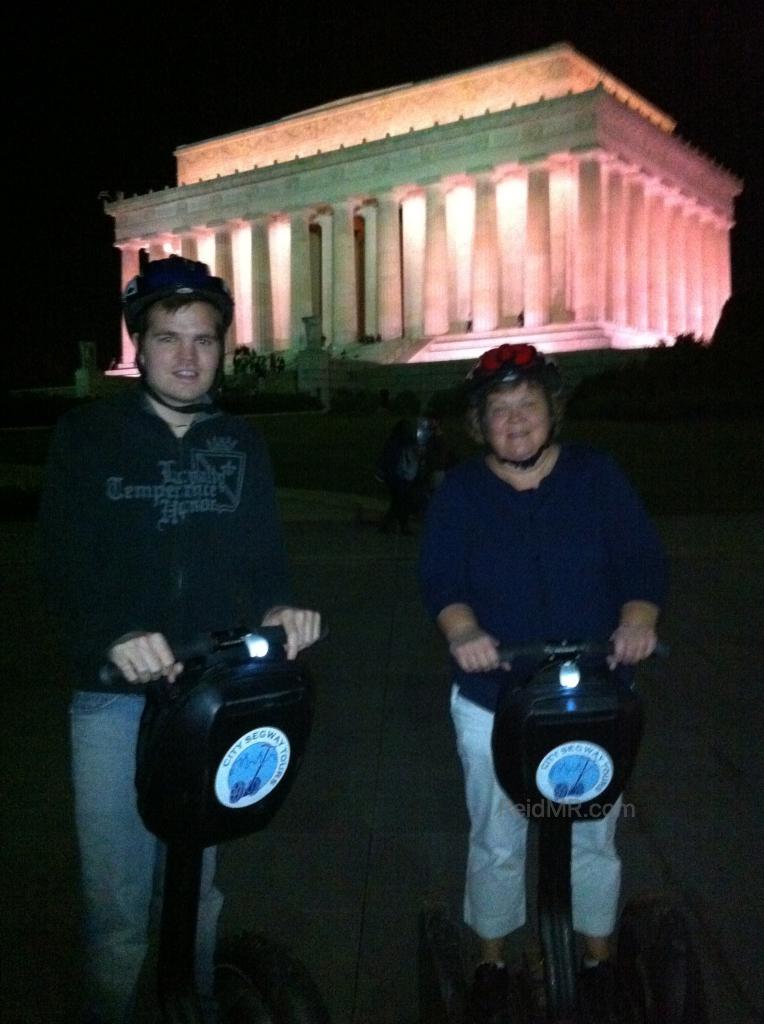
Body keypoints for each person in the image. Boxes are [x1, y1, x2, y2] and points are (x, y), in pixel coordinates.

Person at [38, 255, 321, 1024]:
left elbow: (265, 564)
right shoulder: (88, 436)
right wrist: (112, 632)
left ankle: (191, 1006)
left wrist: (282, 612)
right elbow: (60, 563)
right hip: (116, 700)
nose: (189, 357)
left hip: (212, 699)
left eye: (204, 339)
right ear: (138, 344)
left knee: (199, 888)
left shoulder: (241, 443)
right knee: (122, 905)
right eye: (169, 338)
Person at [418, 342, 667, 1022]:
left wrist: (637, 622)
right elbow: (442, 577)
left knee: (592, 833)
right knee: (497, 833)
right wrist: (464, 633)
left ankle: (595, 959)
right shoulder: (465, 490)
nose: (517, 421)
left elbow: (640, 559)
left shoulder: (596, 475)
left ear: (552, 410)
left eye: (528, 406)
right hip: (493, 695)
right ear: (481, 424)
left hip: (593, 691)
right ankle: (493, 962)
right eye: (500, 411)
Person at [375, 418, 421, 535]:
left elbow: (385, 458)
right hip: (400, 477)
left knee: (399, 502)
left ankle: (392, 525)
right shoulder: (405, 442)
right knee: (401, 502)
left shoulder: (393, 442)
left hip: (394, 477)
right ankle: (395, 525)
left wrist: (381, 474)